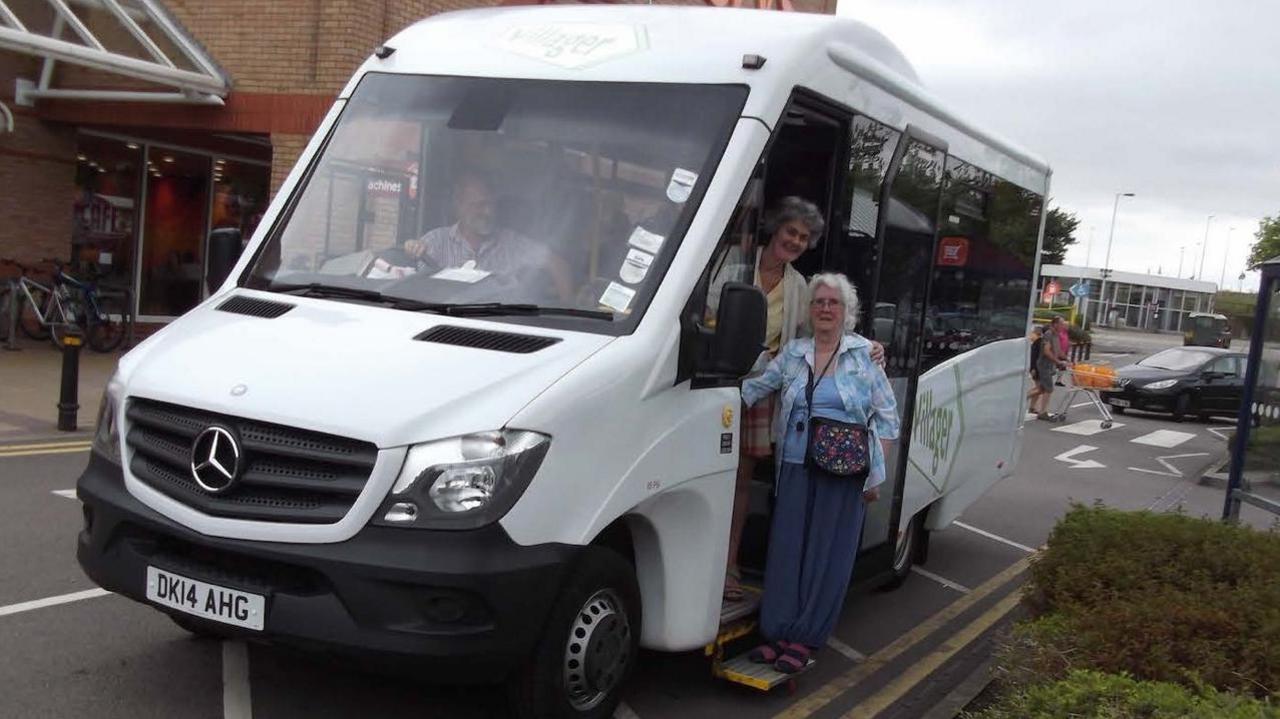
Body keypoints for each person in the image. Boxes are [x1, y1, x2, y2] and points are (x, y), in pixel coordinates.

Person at [709, 196, 884, 603]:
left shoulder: (801, 286)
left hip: (759, 387)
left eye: (804, 238)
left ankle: (729, 567)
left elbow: (820, 337)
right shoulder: (729, 261)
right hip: (711, 381)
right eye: (791, 232)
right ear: (775, 228)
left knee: (738, 484)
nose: (796, 241)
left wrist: (866, 346)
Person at [739, 273, 900, 674]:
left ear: (847, 312)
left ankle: (804, 637)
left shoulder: (864, 354)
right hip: (795, 465)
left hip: (844, 473)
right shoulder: (794, 353)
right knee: (788, 550)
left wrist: (872, 475)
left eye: (834, 303)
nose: (826, 308)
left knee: (826, 556)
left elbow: (888, 419)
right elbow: (756, 388)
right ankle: (777, 632)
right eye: (819, 302)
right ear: (810, 311)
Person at [403, 173, 573, 301]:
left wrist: (568, 316)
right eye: (479, 205)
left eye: (491, 204)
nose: (488, 212)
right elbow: (414, 285)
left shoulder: (511, 243)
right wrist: (411, 248)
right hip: (443, 322)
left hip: (501, 326)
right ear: (459, 206)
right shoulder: (436, 241)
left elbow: (558, 265)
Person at [1033, 316, 1069, 419]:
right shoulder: (1049, 334)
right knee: (1049, 389)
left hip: (1050, 366)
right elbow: (1046, 351)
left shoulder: (1057, 335)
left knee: (1041, 389)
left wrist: (1067, 359)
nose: (1063, 326)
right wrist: (1057, 362)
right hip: (1044, 365)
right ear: (1055, 324)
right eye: (1061, 324)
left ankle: (1023, 400)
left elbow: (1058, 351)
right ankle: (1043, 412)